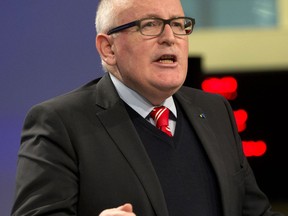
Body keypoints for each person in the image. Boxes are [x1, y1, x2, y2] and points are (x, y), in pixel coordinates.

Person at [11, 0, 285, 215]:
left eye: (179, 24)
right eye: (150, 25)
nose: (170, 37)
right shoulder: (59, 123)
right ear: (108, 49)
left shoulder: (215, 111)